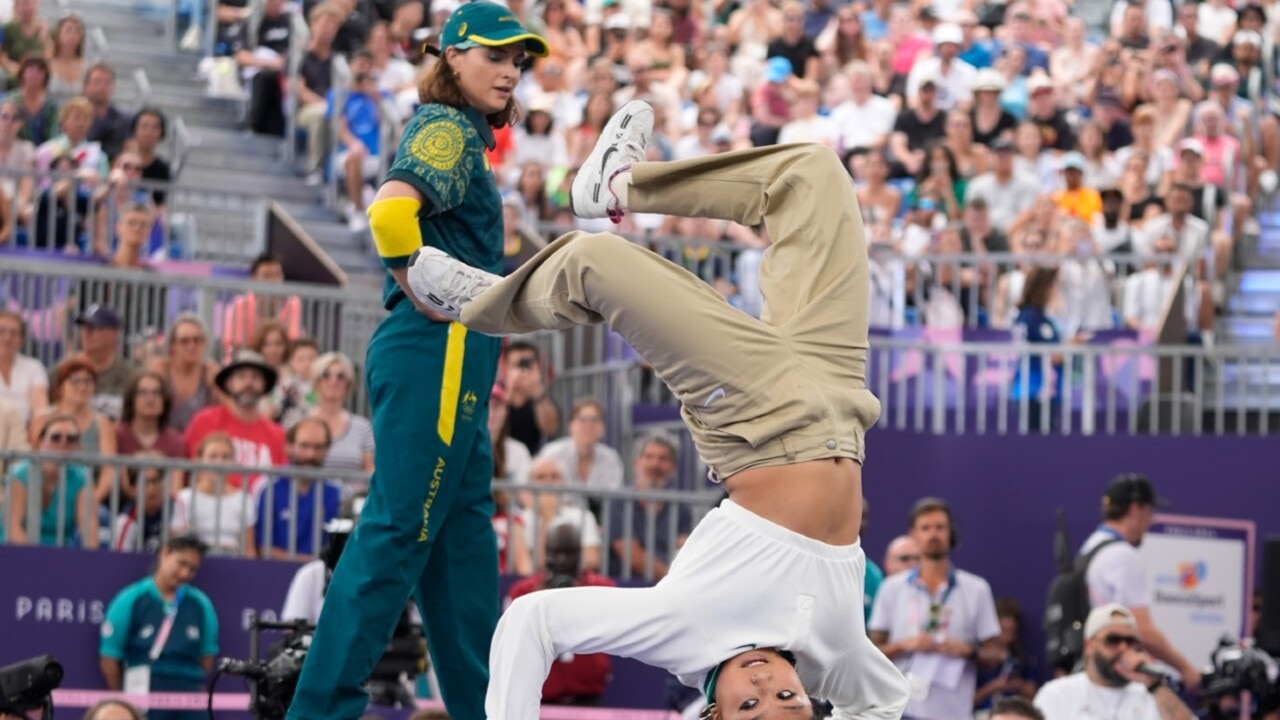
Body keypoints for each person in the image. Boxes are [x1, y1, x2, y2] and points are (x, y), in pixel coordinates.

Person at [407, 101, 910, 718]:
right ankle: (616, 185)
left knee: (594, 262)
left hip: (760, 420)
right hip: (842, 396)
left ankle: (481, 305)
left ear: (714, 713)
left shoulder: (685, 629)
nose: (764, 685)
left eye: (749, 709)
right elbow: (886, 703)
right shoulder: (840, 662)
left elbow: (534, 620)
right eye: (787, 701)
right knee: (813, 175)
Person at [287, 6, 551, 720]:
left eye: (518, 61)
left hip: (457, 353)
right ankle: (315, 712)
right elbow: (388, 215)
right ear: (454, 56)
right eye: (495, 55)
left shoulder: (464, 132)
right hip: (440, 347)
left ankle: (485, 711)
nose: (509, 70)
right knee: (399, 530)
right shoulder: (446, 125)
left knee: (463, 549)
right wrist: (414, 282)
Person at [869, 497, 1004, 719]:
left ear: (951, 533)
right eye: (926, 528)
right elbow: (872, 651)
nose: (934, 535)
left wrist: (968, 651)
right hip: (900, 709)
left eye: (940, 527)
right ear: (913, 534)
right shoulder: (892, 588)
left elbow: (997, 654)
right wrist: (905, 644)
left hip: (954, 709)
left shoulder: (975, 588)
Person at [1079, 474, 1202, 688]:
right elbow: (1143, 630)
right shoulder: (1123, 555)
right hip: (1113, 676)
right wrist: (1187, 669)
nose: (1151, 520)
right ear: (1136, 509)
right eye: (1150, 512)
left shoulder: (1090, 548)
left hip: (1091, 671)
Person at [100, 535, 218, 720]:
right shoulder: (131, 598)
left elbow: (207, 658)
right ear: (165, 553)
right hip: (142, 691)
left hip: (189, 695)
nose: (185, 574)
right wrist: (125, 703)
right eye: (181, 564)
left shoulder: (201, 604)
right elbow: (110, 657)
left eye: (192, 569)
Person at [504, 524, 616, 706]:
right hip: (540, 700)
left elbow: (610, 634)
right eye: (555, 553)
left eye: (569, 553)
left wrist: (580, 599)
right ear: (545, 553)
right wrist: (538, 599)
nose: (562, 560)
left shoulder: (602, 589)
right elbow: (511, 645)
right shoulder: (524, 592)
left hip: (587, 698)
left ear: (580, 554)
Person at [1034, 604, 1196, 720]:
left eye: (1130, 641)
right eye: (1113, 640)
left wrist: (1155, 685)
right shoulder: (1058, 694)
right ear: (1089, 646)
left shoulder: (1151, 694)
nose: (1123, 648)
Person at [183, 350, 286, 491]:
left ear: (264, 385)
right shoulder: (205, 421)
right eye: (241, 376)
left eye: (255, 377)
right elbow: (195, 471)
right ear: (229, 383)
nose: (248, 383)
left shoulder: (278, 434)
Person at [2, 413, 98, 547]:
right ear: (41, 441)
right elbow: (13, 528)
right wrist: (38, 559)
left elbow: (89, 528)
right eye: (56, 437)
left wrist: (92, 562)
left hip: (60, 555)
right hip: (17, 552)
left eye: (71, 439)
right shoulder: (20, 473)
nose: (63, 443)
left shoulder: (82, 476)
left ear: (78, 444)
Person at [607, 434, 694, 580]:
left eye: (663, 459)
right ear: (636, 462)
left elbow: (686, 549)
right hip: (627, 585)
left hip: (668, 585)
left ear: (673, 467)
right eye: (649, 457)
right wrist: (673, 579)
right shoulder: (619, 502)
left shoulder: (681, 507)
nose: (655, 464)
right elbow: (631, 554)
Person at [255, 417, 342, 561]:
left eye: (318, 447)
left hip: (322, 576)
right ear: (289, 447)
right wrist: (304, 561)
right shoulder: (268, 488)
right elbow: (263, 548)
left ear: (327, 449)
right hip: (274, 573)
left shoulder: (337, 492)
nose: (311, 454)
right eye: (304, 446)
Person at [176, 432, 256, 554]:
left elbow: (249, 549)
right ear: (199, 460)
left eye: (226, 457)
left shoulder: (244, 499)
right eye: (213, 456)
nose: (219, 462)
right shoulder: (184, 498)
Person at [519, 455, 603, 571]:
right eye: (540, 477)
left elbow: (592, 559)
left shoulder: (583, 515)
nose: (549, 482)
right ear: (529, 484)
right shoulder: (520, 519)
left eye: (555, 476)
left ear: (563, 482)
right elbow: (536, 566)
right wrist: (548, 516)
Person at [147, 314, 220, 432]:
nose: (191, 346)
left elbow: (225, 412)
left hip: (201, 441)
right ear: (173, 345)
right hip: (164, 439)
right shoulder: (161, 370)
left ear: (204, 344)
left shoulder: (210, 372)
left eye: (197, 340)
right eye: (184, 341)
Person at [537, 397, 624, 494]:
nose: (588, 426)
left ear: (603, 428)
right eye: (582, 420)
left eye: (595, 420)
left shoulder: (611, 458)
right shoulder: (552, 454)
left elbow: (613, 498)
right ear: (570, 426)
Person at [307, 352, 374, 474]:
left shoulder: (363, 427)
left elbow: (370, 471)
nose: (334, 381)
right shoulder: (300, 422)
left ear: (348, 383)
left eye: (341, 376)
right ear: (316, 381)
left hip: (354, 493)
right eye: (326, 375)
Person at [71, 303, 140, 420]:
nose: (86, 333)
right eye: (83, 327)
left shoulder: (131, 375)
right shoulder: (64, 371)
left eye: (94, 328)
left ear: (115, 332)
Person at [502, 340, 560, 454]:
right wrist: (509, 391)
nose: (521, 371)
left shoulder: (543, 399)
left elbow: (550, 429)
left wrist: (537, 390)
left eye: (526, 365)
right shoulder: (497, 396)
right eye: (515, 365)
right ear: (506, 367)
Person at [116, 371, 186, 459]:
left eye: (157, 393)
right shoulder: (116, 437)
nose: (150, 398)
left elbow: (178, 472)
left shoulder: (176, 441)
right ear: (131, 399)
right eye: (142, 392)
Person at [0, 310, 49, 422]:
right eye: (1, 331)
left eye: (13, 333)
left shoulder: (34, 367)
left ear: (21, 339)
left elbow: (40, 410)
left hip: (25, 431)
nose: (7, 338)